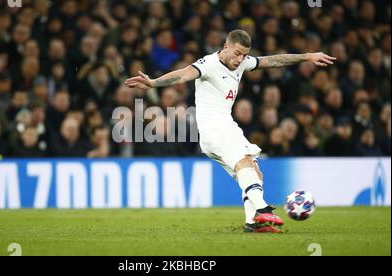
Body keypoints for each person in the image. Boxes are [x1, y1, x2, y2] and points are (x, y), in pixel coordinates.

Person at [126, 29, 336, 233]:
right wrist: (154, 83)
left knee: (254, 172)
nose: (239, 59)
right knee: (244, 162)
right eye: (236, 53)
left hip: (224, 128)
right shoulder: (208, 64)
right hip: (215, 129)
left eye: (244, 55)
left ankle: (252, 223)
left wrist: (307, 56)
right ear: (225, 46)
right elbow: (183, 75)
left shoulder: (242, 63)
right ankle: (262, 208)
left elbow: (273, 61)